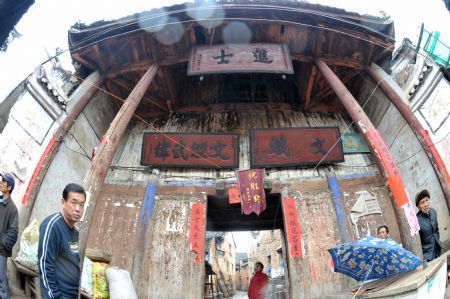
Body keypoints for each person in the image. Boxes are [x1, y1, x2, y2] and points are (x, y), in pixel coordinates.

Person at [38, 183, 86, 299]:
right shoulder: (52, 225)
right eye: (73, 203)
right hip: (58, 294)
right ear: (63, 202)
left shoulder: (74, 232)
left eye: (81, 204)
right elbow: (45, 265)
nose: (78, 209)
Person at [0, 172, 18, 299]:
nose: (1, 182)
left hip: (1, 250)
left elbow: (13, 231)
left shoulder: (13, 209)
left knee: (1, 278)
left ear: (9, 187)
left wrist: (3, 243)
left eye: (4, 181)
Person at [415, 189, 441, 262]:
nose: (426, 204)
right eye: (422, 202)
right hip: (427, 255)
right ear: (418, 206)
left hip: (437, 247)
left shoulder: (433, 212)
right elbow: (417, 241)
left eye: (427, 200)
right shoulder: (416, 220)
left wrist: (438, 241)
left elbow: (436, 230)